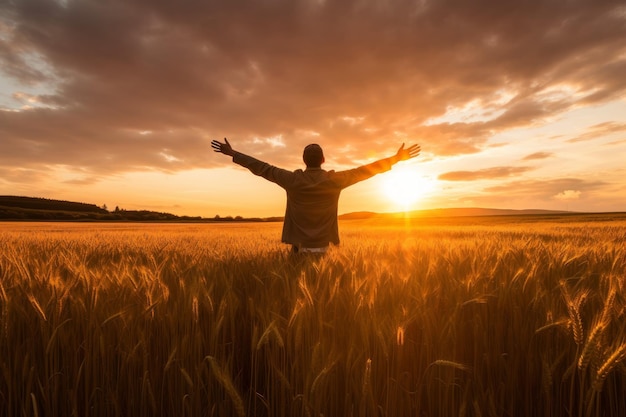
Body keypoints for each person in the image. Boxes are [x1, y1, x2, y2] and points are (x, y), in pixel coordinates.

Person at [211, 138, 421, 254]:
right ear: (323, 159)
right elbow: (365, 170)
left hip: (297, 247)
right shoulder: (335, 181)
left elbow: (262, 167)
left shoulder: (291, 180)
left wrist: (233, 153)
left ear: (303, 160)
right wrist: (395, 158)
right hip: (325, 246)